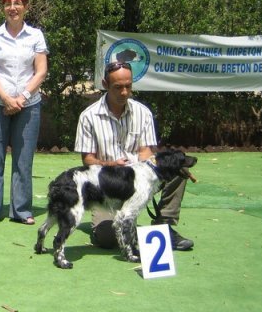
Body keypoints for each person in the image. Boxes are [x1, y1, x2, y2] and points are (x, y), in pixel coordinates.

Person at [75, 61, 194, 250]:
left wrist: (138, 170)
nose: (124, 92)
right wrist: (111, 164)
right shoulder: (88, 116)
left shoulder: (143, 112)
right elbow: (88, 160)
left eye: (128, 86)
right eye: (118, 87)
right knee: (107, 238)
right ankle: (148, 235)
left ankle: (165, 225)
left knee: (179, 168)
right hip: (110, 186)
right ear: (105, 85)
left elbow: (146, 152)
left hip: (139, 179)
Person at [0, 0, 49, 225]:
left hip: (29, 105)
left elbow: (41, 71)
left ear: (26, 7)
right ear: (3, 8)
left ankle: (21, 210)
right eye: (8, 4)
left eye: (18, 3)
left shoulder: (36, 36)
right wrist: (7, 99)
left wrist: (22, 97)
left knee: (23, 159)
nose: (13, 8)